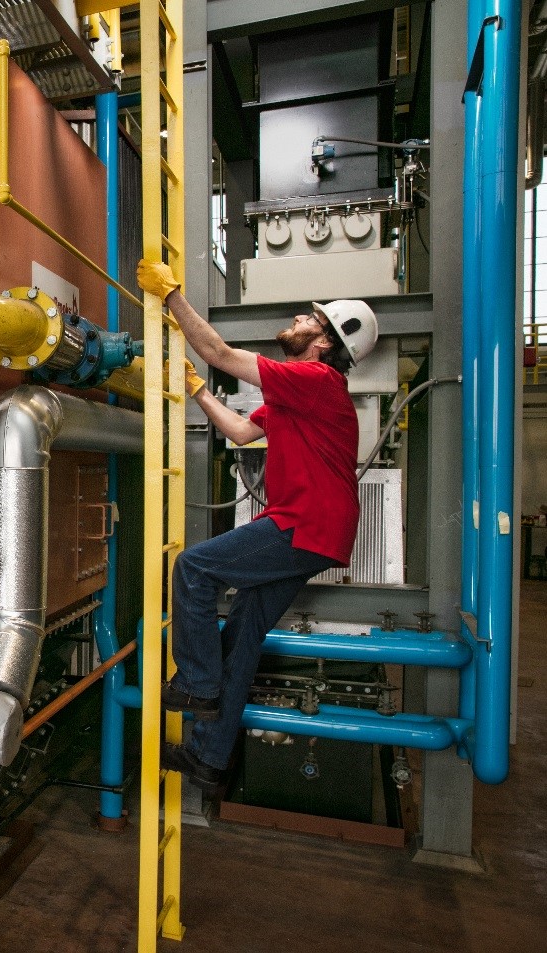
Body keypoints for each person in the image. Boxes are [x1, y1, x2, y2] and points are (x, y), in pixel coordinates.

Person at [135, 259, 379, 788]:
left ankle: (199, 686)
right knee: (243, 633)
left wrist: (173, 296)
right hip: (318, 531)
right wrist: (199, 390)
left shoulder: (316, 379)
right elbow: (243, 432)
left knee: (194, 569)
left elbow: (219, 352)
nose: (298, 317)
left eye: (311, 319)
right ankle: (210, 759)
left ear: (325, 344)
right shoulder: (297, 391)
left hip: (305, 523)